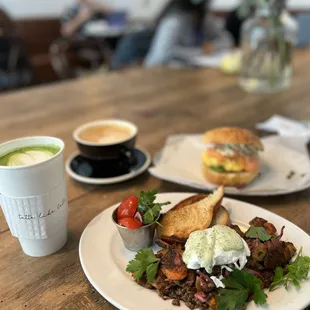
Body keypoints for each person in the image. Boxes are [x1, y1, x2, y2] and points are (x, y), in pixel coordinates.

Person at [111, 0, 233, 70]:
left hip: (192, 75)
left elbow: (227, 39)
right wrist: (199, 51)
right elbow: (159, 57)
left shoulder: (204, 19)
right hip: (167, 74)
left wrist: (213, 46)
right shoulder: (174, 22)